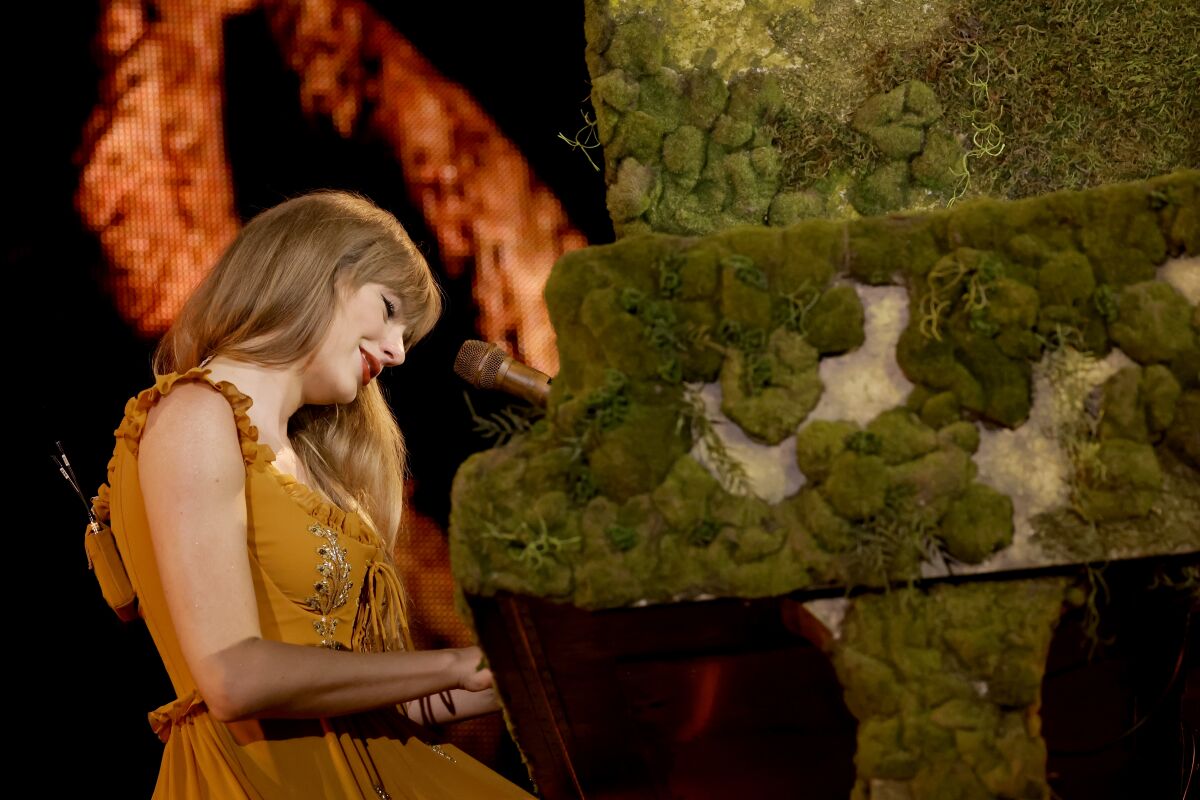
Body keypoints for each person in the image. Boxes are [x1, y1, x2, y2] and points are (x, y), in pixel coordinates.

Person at [90, 190, 535, 798]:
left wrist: (506, 678)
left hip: (368, 770)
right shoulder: (195, 415)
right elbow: (233, 679)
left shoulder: (316, 468)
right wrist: (454, 662)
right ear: (317, 271)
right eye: (388, 309)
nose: (398, 352)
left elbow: (370, 706)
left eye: (408, 335)